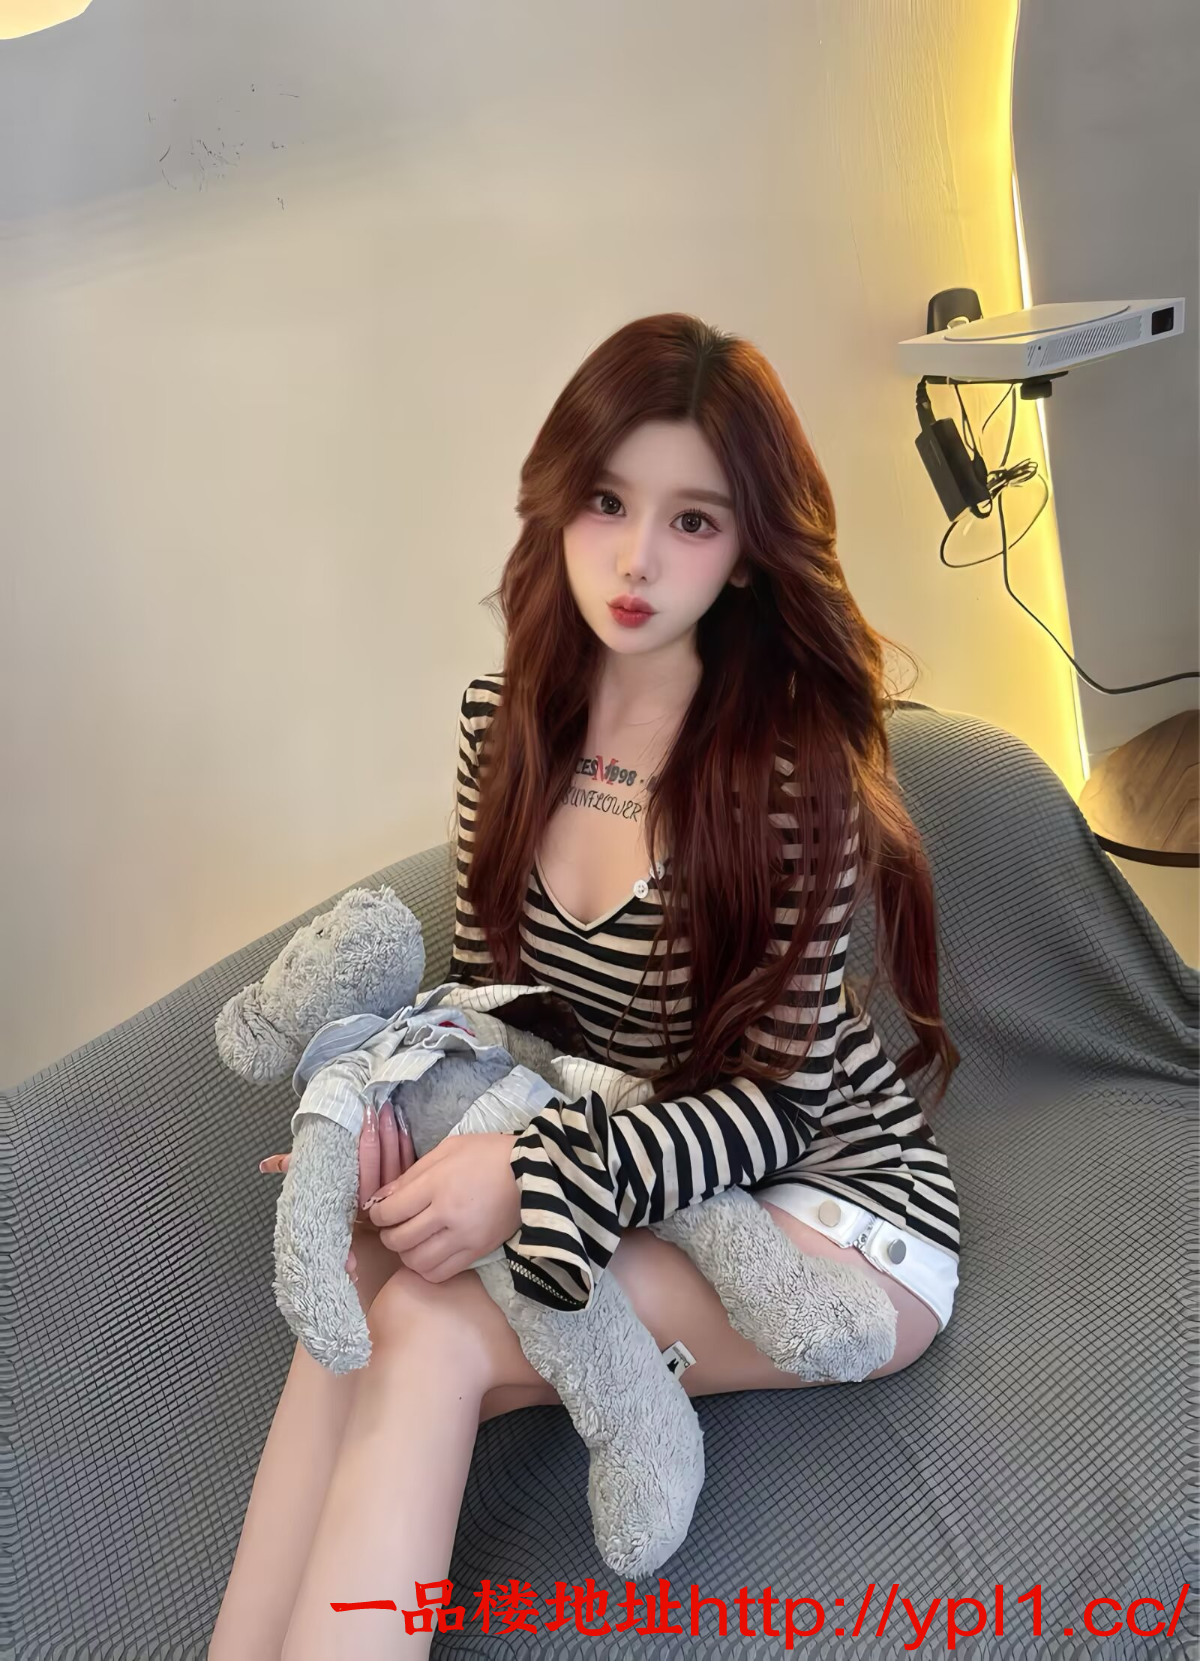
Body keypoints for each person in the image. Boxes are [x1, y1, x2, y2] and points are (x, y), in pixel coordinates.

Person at [209, 312, 962, 1660]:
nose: (635, 558)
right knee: (370, 1265)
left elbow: (781, 1109)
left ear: (748, 553)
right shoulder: (503, 728)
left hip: (828, 1218)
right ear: (559, 501)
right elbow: (496, 997)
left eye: (693, 521)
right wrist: (396, 1113)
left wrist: (528, 1175)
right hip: (633, 1165)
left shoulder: (788, 779)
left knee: (425, 1328)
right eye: (608, 502)